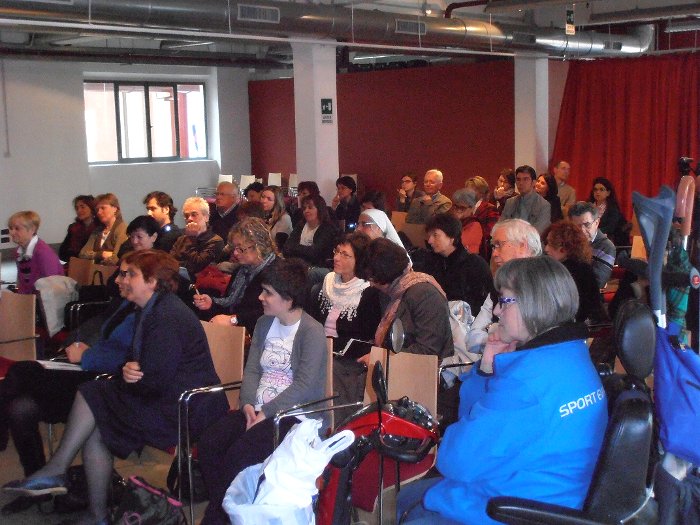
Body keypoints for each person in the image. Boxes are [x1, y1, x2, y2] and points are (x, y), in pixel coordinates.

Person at [3, 250, 228, 525]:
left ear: (152, 282)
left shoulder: (166, 315)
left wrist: (128, 373)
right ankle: (95, 513)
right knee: (97, 423)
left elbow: (155, 378)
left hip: (185, 406)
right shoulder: (150, 308)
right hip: (167, 395)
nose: (121, 279)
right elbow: (146, 367)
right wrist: (129, 370)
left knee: (94, 394)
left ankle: (59, 470)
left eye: (130, 274)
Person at [397, 256, 607, 524]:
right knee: (409, 496)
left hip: (518, 507)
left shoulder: (527, 383)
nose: (496, 311)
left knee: (404, 503)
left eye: (504, 301)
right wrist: (487, 370)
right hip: (555, 493)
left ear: (533, 304)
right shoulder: (570, 354)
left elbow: (454, 461)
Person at [198, 258, 327, 525]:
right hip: (256, 409)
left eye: (268, 292)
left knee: (239, 454)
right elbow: (253, 370)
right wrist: (246, 403)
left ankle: (217, 518)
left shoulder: (311, 332)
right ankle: (229, 509)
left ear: (289, 300)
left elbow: (305, 385)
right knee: (210, 443)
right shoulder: (264, 324)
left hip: (293, 416)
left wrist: (265, 413)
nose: (261, 297)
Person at [0, 279, 137, 514]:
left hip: (102, 384)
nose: (117, 279)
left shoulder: (150, 314)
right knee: (19, 408)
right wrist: (74, 346)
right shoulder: (124, 304)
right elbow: (96, 329)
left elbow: (129, 359)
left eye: (127, 273)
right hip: (85, 372)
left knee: (21, 371)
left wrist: (87, 355)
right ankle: (37, 481)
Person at [307, 232, 382, 420]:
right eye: (336, 251)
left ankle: (332, 425)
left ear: (359, 260)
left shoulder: (368, 292)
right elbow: (313, 320)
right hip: (321, 348)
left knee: (330, 372)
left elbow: (367, 336)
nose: (336, 258)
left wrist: (330, 350)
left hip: (348, 357)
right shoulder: (328, 282)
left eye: (345, 254)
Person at [360, 238, 453, 361]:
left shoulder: (425, 295)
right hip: (396, 365)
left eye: (373, 278)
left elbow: (428, 351)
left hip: (422, 372)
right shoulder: (390, 292)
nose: (372, 284)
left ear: (385, 273)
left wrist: (381, 358)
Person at [466, 219, 542, 355]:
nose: (494, 254)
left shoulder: (544, 286)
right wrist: (500, 333)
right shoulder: (498, 286)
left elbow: (529, 341)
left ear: (522, 246)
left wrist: (491, 328)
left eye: (499, 245)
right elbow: (472, 341)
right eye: (493, 247)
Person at [193, 217, 277, 335]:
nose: (235, 253)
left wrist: (233, 320)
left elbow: (270, 314)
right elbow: (230, 306)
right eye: (234, 248)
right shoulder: (241, 271)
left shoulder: (277, 272)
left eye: (240, 248)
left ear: (258, 246)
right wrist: (211, 303)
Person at [414, 214, 492, 314]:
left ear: (452, 237)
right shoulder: (429, 262)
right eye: (429, 236)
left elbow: (483, 302)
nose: (430, 241)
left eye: (435, 235)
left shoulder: (474, 265)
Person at [544, 221, 606, 324]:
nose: (546, 249)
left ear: (565, 247)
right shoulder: (582, 267)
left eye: (551, 244)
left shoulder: (570, 271)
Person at [8, 211, 64, 294]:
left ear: (32, 229)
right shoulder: (18, 252)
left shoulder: (42, 252)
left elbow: (52, 287)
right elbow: (23, 283)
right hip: (31, 298)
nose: (12, 233)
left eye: (17, 228)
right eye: (11, 228)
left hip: (49, 299)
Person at [170, 196, 225, 278]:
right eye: (186, 215)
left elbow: (196, 267)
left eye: (194, 214)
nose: (189, 219)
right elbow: (170, 262)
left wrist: (191, 239)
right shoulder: (182, 238)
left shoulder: (216, 241)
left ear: (206, 217)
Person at [568, 201, 616, 289]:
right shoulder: (567, 240)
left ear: (597, 222)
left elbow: (597, 282)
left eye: (587, 225)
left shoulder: (606, 246)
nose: (582, 230)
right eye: (577, 226)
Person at [283, 194, 339, 268]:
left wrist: (295, 248)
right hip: (297, 265)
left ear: (319, 209)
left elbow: (315, 253)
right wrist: (304, 250)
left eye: (310, 208)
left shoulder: (327, 228)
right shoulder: (300, 225)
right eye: (304, 208)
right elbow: (286, 247)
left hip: (317, 268)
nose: (306, 211)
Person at [499, 165, 551, 234]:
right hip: (510, 241)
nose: (521, 183)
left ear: (533, 182)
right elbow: (500, 226)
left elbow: (537, 232)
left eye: (525, 179)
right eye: (518, 179)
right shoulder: (510, 202)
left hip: (532, 243)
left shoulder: (544, 205)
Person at [79, 193, 128, 265]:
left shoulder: (122, 228)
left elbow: (116, 258)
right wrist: (101, 254)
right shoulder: (98, 230)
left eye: (103, 208)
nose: (99, 212)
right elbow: (82, 254)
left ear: (115, 208)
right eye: (97, 209)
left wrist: (94, 257)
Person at [463, 177, 499, 259]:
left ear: (481, 192)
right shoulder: (464, 208)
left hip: (482, 250)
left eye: (472, 190)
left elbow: (491, 231)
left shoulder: (490, 208)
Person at [588, 177, 627, 245]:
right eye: (595, 189)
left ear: (608, 193)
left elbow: (610, 228)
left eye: (601, 190)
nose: (598, 192)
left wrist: (593, 232)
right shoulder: (588, 207)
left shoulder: (613, 209)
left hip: (606, 241)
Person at [59, 195, 97, 263]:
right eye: (77, 208)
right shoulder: (73, 228)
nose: (79, 210)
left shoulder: (99, 228)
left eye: (82, 207)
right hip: (74, 264)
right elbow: (62, 253)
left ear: (92, 208)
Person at [449, 188, 482, 255]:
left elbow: (459, 243)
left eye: (462, 207)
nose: (458, 210)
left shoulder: (474, 224)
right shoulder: (452, 221)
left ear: (472, 208)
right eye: (456, 206)